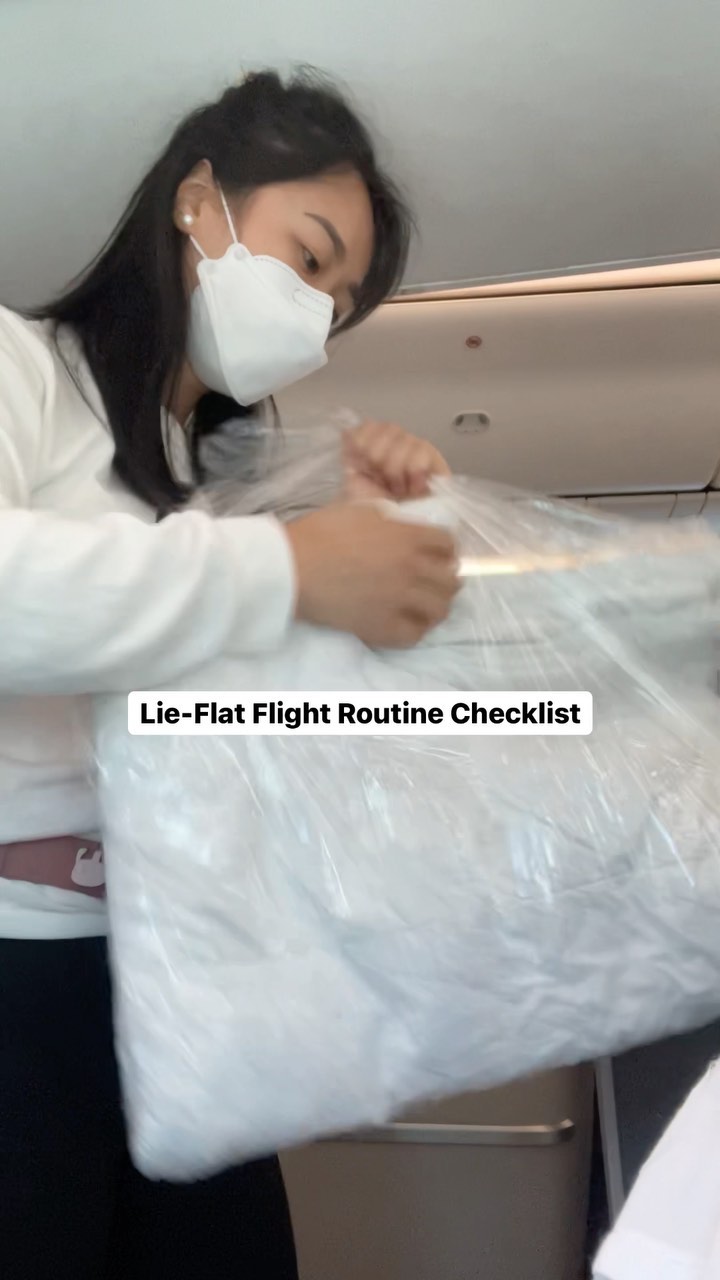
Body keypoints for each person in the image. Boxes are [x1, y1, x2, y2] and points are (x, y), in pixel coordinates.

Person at [0, 68, 458, 1279]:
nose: (315, 317)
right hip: (22, 964)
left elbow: (259, 733)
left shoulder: (226, 482)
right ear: (198, 202)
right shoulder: (18, 368)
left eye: (339, 304)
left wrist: (371, 559)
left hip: (186, 960)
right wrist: (291, 569)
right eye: (308, 260)